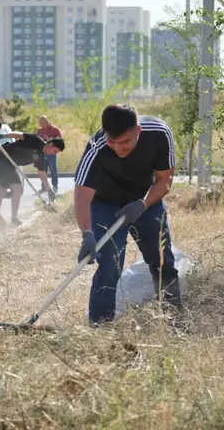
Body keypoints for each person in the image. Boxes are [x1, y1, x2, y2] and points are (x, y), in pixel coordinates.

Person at [74, 103, 182, 325]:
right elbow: (82, 196)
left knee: (161, 260)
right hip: (106, 204)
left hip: (146, 199)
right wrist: (86, 234)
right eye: (112, 142)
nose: (118, 148)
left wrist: (142, 204)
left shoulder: (159, 134)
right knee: (109, 266)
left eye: (125, 142)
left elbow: (165, 181)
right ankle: (100, 327)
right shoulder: (97, 147)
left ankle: (172, 319)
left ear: (138, 131)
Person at [0, 132, 64, 225]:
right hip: (3, 159)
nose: (53, 154)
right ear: (50, 144)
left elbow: (41, 173)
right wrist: (1, 136)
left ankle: (13, 218)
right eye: (54, 151)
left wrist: (49, 190)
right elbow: (18, 135)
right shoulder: (35, 140)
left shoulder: (41, 157)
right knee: (4, 188)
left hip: (11, 165)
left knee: (16, 189)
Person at [37, 115, 63, 193]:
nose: (41, 124)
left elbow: (60, 140)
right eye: (40, 122)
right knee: (42, 171)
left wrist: (50, 141)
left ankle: (55, 186)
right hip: (42, 154)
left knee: (53, 171)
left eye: (43, 122)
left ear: (47, 121)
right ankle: (44, 187)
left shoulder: (55, 129)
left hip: (51, 154)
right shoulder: (40, 130)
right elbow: (37, 140)